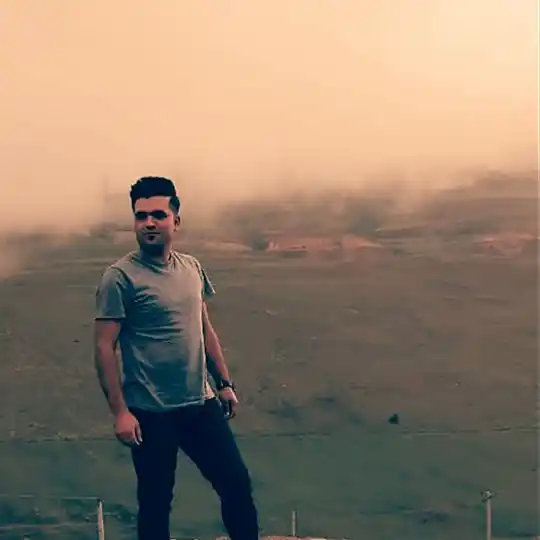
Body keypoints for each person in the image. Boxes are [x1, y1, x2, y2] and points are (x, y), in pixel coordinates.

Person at [93, 176, 260, 540]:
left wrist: (224, 383)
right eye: (141, 216)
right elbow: (104, 346)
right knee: (155, 503)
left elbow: (204, 328)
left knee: (236, 485)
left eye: (158, 215)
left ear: (176, 221)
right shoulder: (119, 278)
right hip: (150, 412)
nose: (149, 223)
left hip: (200, 404)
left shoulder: (192, 268)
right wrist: (120, 412)